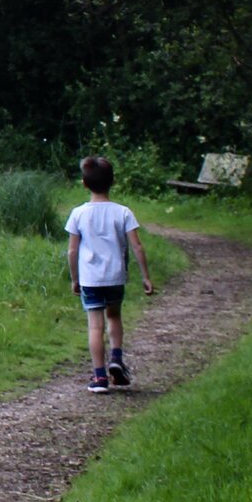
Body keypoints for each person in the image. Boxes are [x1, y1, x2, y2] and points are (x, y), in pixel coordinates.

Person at [66, 155, 153, 393]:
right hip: (116, 276)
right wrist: (145, 276)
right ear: (112, 182)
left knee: (95, 326)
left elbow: (72, 250)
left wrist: (75, 279)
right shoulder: (123, 212)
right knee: (114, 316)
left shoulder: (78, 214)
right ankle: (116, 358)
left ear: (84, 183)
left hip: (90, 278)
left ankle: (100, 377)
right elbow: (137, 246)